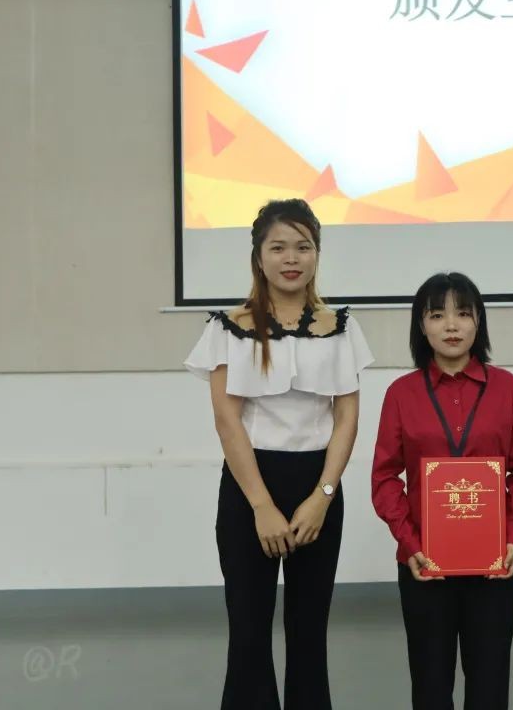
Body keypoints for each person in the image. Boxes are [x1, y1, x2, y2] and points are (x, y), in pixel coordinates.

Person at [184, 198, 373, 710]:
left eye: (303, 247)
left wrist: (323, 495)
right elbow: (228, 423)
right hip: (250, 486)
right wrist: (262, 506)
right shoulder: (228, 328)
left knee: (309, 633)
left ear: (317, 254)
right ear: (258, 257)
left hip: (318, 486)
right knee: (248, 632)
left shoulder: (341, 326)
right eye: (278, 247)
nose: (292, 258)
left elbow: (347, 419)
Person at [371, 272, 513, 710]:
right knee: (430, 686)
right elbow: (385, 478)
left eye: (463, 314)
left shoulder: (508, 389)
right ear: (421, 325)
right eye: (437, 315)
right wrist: (410, 543)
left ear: (478, 322)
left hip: (495, 564)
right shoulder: (401, 394)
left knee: (489, 685)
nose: (451, 325)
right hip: (425, 565)